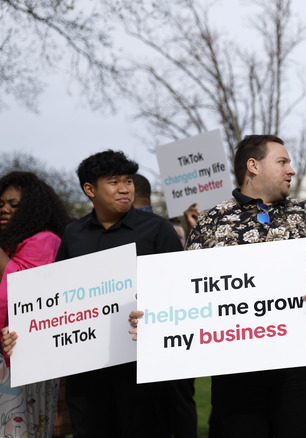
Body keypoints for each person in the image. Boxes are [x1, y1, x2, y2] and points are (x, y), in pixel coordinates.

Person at [133, 134, 306, 438]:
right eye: (282, 162)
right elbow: (186, 283)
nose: (291, 170)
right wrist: (152, 317)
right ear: (253, 166)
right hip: (236, 361)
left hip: (301, 357)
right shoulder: (212, 220)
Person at [3, 150, 184, 438]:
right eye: (114, 182)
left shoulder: (158, 230)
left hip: (139, 369)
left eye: (128, 181)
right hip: (86, 374)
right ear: (89, 189)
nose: (125, 188)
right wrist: (23, 332)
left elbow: (178, 291)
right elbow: (54, 300)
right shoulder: (73, 234)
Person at [0, 171, 70, 438]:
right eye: (1, 204)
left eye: (14, 205)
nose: (5, 209)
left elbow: (21, 287)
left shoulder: (44, 240)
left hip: (26, 357)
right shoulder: (10, 243)